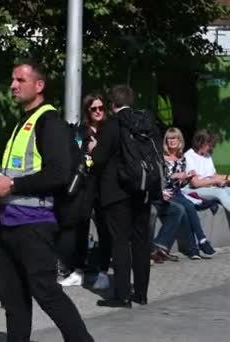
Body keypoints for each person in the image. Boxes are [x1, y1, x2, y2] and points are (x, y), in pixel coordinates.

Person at [0, 59, 93, 342]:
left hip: (34, 225)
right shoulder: (23, 122)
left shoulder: (49, 122)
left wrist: (11, 183)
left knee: (47, 293)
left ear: (39, 85)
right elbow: (20, 172)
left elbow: (58, 174)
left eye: (20, 80)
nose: (13, 86)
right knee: (14, 300)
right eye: (12, 80)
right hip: (9, 224)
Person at [90, 85, 154, 308]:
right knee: (140, 242)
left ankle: (122, 295)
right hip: (143, 189)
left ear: (112, 104)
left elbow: (98, 157)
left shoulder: (112, 124)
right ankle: (142, 293)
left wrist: (92, 147)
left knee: (119, 242)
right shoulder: (144, 122)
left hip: (117, 192)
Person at [58, 93, 112, 290]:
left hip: (106, 185)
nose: (98, 112)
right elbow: (76, 156)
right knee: (80, 226)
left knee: (106, 229)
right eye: (93, 109)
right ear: (87, 111)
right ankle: (77, 270)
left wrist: (98, 149)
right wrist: (89, 152)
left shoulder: (109, 130)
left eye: (101, 108)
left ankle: (103, 270)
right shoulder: (80, 132)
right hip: (86, 184)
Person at [152, 127, 215, 260]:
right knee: (185, 209)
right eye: (169, 138)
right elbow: (160, 178)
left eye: (174, 138)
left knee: (187, 208)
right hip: (165, 193)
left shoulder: (181, 159)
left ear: (179, 140)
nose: (171, 141)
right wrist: (176, 176)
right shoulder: (160, 157)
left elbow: (181, 185)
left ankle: (195, 247)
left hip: (177, 193)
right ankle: (197, 245)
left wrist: (185, 178)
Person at [184, 129, 230, 213]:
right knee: (220, 193)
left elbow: (213, 175)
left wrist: (227, 177)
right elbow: (195, 183)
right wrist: (215, 181)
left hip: (209, 187)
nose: (211, 147)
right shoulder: (189, 156)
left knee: (228, 190)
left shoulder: (207, 156)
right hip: (193, 190)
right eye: (209, 145)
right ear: (201, 142)